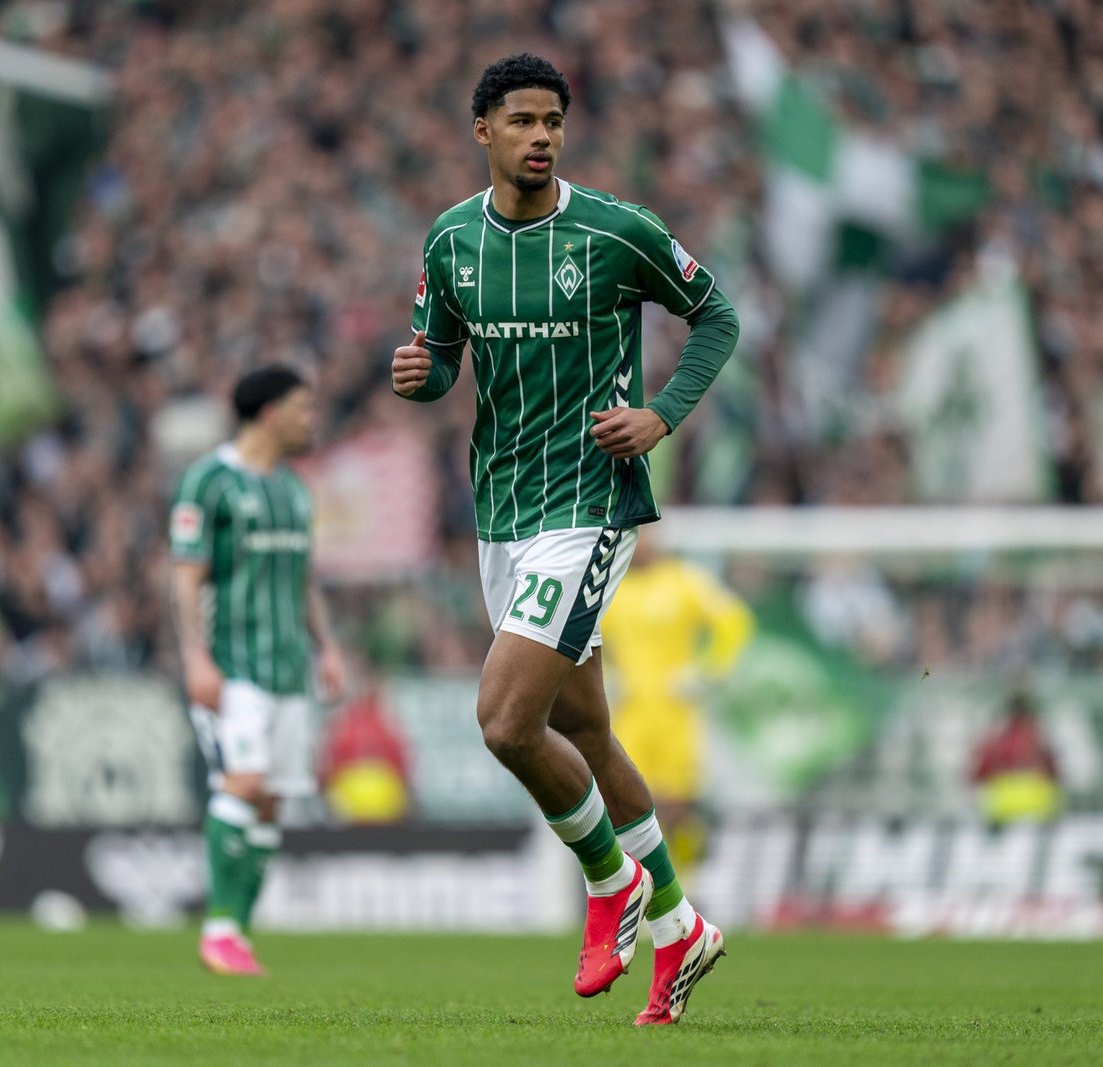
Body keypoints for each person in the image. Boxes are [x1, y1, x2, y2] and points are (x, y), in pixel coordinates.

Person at [391, 53, 739, 1026]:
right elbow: (441, 360)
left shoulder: (617, 231)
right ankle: (680, 928)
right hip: (501, 513)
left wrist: (661, 414)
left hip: (589, 504)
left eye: (552, 120)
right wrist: (419, 375)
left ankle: (611, 881)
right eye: (522, 120)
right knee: (583, 731)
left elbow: (715, 315)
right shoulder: (452, 240)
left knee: (505, 722)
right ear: (483, 132)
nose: (541, 135)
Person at [169, 365, 345, 976]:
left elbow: (303, 579)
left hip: (289, 669)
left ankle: (237, 933)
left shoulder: (294, 490)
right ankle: (218, 929)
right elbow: (186, 576)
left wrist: (327, 647)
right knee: (243, 781)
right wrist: (195, 657)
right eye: (303, 407)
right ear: (269, 414)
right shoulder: (208, 482)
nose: (311, 419)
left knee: (271, 801)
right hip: (233, 665)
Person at [602, 530, 753, 875]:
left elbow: (734, 621)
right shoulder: (610, 588)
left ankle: (686, 880)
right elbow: (584, 638)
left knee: (678, 807)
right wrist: (606, 675)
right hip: (630, 714)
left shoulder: (684, 581)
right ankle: (637, 885)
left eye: (644, 533)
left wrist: (706, 672)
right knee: (628, 807)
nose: (639, 542)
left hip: (675, 713)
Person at [969, 692, 1063, 825]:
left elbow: (979, 773)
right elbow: (1054, 771)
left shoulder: (996, 737)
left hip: (1003, 804)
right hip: (1038, 803)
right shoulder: (1038, 735)